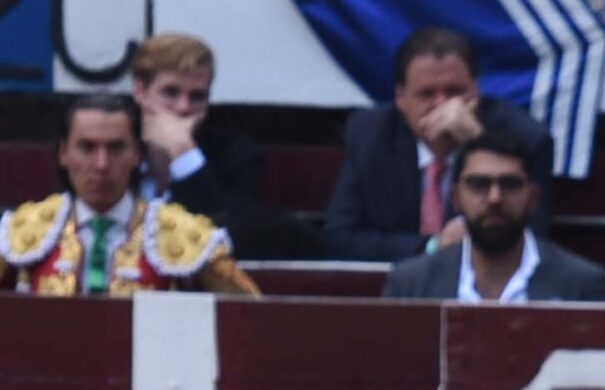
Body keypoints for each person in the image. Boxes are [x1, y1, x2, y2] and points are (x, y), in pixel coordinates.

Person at [325, 25, 556, 262]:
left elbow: (532, 240)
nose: (442, 105)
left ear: (475, 92)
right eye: (427, 94)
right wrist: (433, 246)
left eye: (454, 92)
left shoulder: (525, 140)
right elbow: (340, 239)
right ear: (401, 99)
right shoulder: (369, 134)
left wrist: (478, 142)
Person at [2, 92, 258, 297]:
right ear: (63, 154)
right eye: (87, 147)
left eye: (116, 148)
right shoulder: (18, 231)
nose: (102, 164)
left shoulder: (188, 235)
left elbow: (253, 316)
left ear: (138, 154)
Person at [128, 31, 302, 258]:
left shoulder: (237, 156)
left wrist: (184, 155)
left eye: (197, 96)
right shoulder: (110, 147)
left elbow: (226, 233)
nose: (183, 107)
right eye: (171, 92)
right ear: (140, 92)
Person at [381, 131, 605, 303]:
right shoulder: (410, 285)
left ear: (533, 198)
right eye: (479, 184)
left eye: (509, 184)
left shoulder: (582, 284)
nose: (494, 198)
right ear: (457, 198)